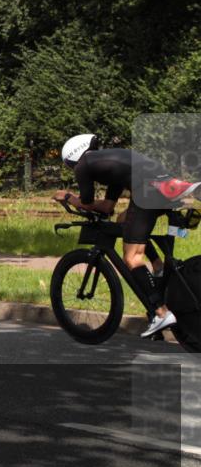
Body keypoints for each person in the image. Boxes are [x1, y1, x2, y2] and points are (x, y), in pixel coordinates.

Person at [53, 134, 200, 339]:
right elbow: (108, 207)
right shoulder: (112, 163)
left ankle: (161, 313)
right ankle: (158, 267)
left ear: (72, 158)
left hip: (148, 191)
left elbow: (86, 203)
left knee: (131, 257)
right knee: (124, 220)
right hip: (163, 185)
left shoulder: (83, 165)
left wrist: (67, 196)